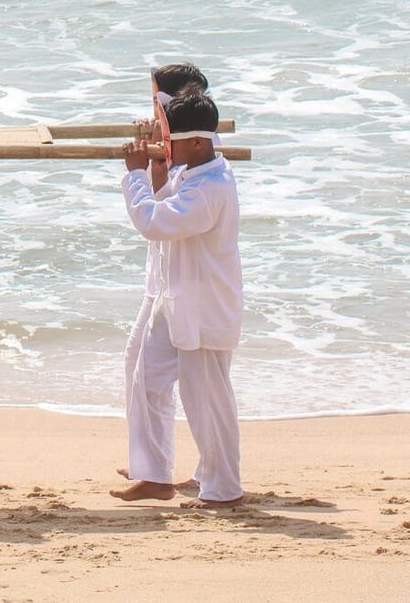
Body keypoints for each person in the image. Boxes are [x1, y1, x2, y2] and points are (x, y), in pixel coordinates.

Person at [112, 89, 244, 510]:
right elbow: (163, 192)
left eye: (173, 141)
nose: (166, 147)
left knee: (207, 401)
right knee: (146, 377)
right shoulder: (194, 173)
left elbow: (152, 220)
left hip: (204, 308)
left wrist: (133, 174)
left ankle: (223, 489)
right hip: (175, 300)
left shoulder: (210, 188)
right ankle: (154, 475)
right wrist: (152, 162)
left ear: (200, 143)